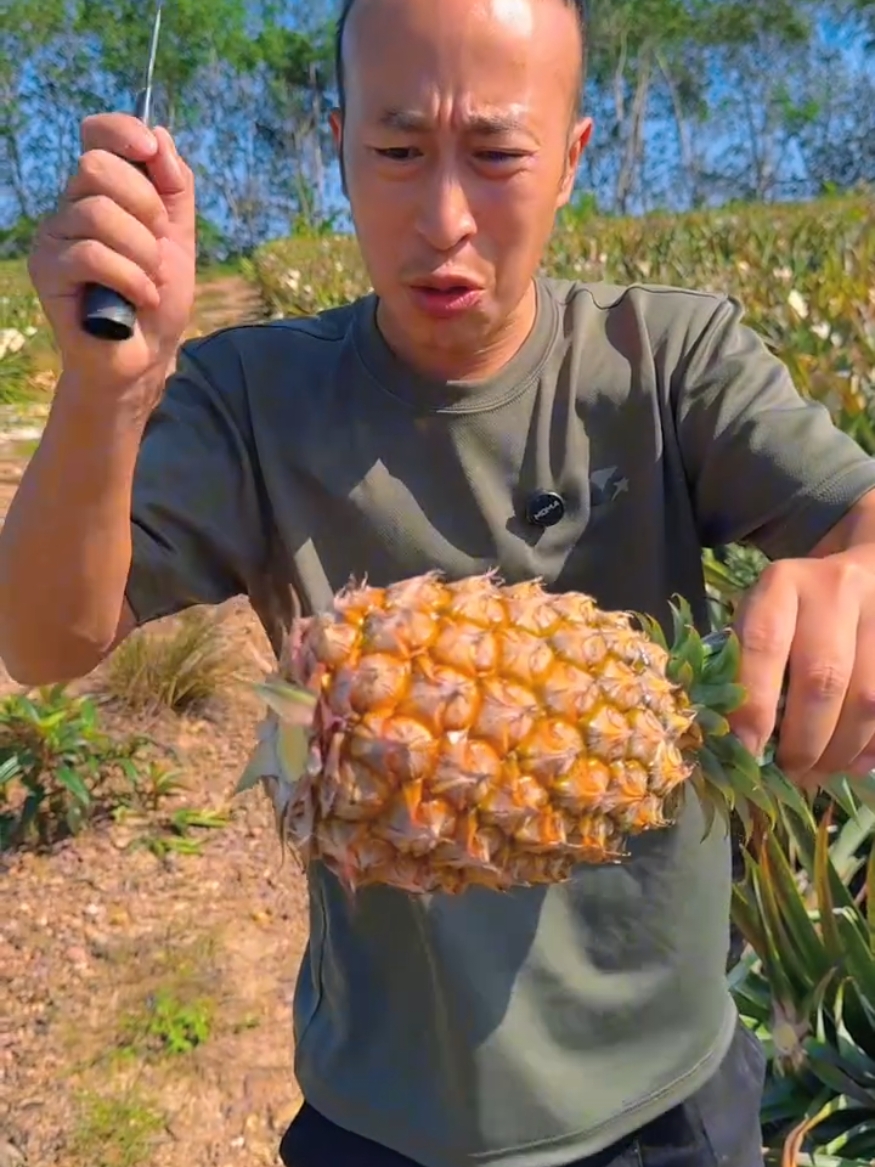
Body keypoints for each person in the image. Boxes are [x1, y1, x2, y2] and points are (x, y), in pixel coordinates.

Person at [3, 0, 875, 1163]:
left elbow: (856, 511)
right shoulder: (250, 395)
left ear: (569, 159)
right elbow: (46, 640)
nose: (444, 219)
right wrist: (105, 392)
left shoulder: (669, 361)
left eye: (498, 154)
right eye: (399, 151)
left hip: (667, 1107)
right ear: (338, 145)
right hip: (380, 1120)